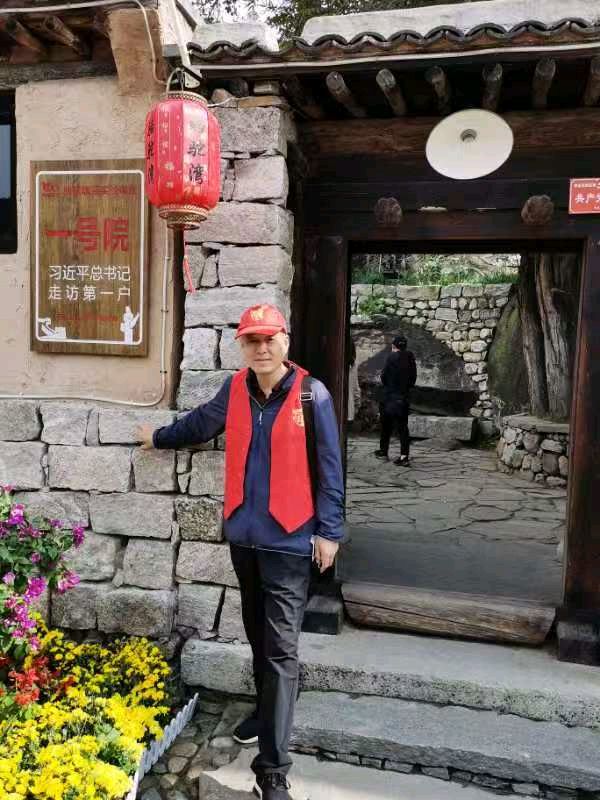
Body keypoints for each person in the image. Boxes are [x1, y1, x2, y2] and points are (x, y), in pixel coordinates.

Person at [136, 304, 345, 800]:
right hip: (245, 540)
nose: (262, 348)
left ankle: (272, 770)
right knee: (257, 634)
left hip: (290, 541)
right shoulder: (234, 390)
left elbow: (330, 467)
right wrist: (158, 436)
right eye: (252, 340)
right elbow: (200, 425)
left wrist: (330, 532)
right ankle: (266, 711)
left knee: (281, 651)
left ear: (285, 341)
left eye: (269, 338)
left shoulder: (312, 395)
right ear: (243, 346)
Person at [374, 334, 417, 467]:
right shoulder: (410, 357)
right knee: (403, 427)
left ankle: (383, 451)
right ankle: (404, 456)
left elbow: (384, 377)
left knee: (386, 425)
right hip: (403, 397)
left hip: (389, 397)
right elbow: (413, 379)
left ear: (393, 346)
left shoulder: (391, 357)